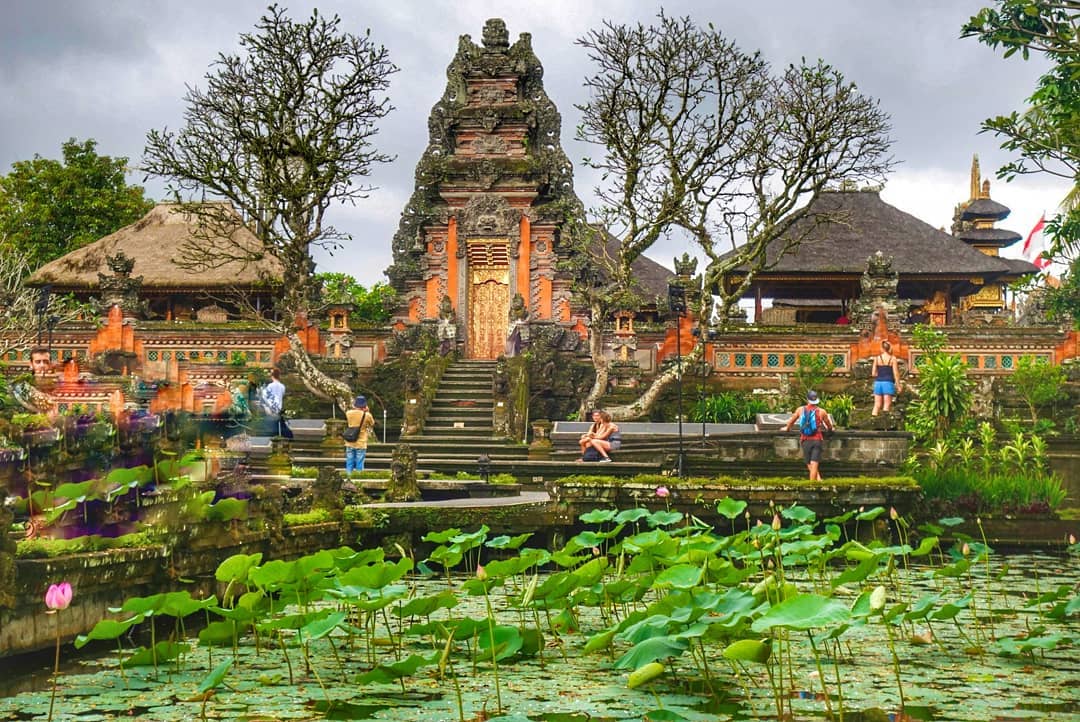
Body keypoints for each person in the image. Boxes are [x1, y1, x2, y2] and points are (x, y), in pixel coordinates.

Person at [782, 390, 834, 481]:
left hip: (805, 439)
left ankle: (813, 483)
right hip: (817, 439)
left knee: (809, 462)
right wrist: (831, 429)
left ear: (807, 399)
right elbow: (828, 425)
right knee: (814, 462)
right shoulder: (822, 411)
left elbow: (791, 421)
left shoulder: (800, 410)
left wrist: (787, 428)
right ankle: (815, 481)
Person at [344, 395, 376, 475]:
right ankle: (358, 478)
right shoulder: (367, 415)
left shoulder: (348, 413)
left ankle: (349, 478)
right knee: (359, 462)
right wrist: (367, 411)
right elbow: (372, 424)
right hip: (361, 442)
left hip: (350, 441)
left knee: (349, 461)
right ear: (364, 405)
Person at [870, 341, 901, 415]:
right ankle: (885, 425)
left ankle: (873, 421)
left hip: (878, 383)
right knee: (886, 405)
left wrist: (880, 373)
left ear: (882, 348)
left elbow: (873, 373)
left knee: (876, 405)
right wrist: (898, 385)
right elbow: (896, 373)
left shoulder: (877, 358)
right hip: (888, 382)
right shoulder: (893, 359)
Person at [259, 368, 292, 438]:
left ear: (272, 376)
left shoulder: (270, 386)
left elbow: (265, 398)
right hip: (278, 409)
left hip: (271, 410)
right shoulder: (282, 386)